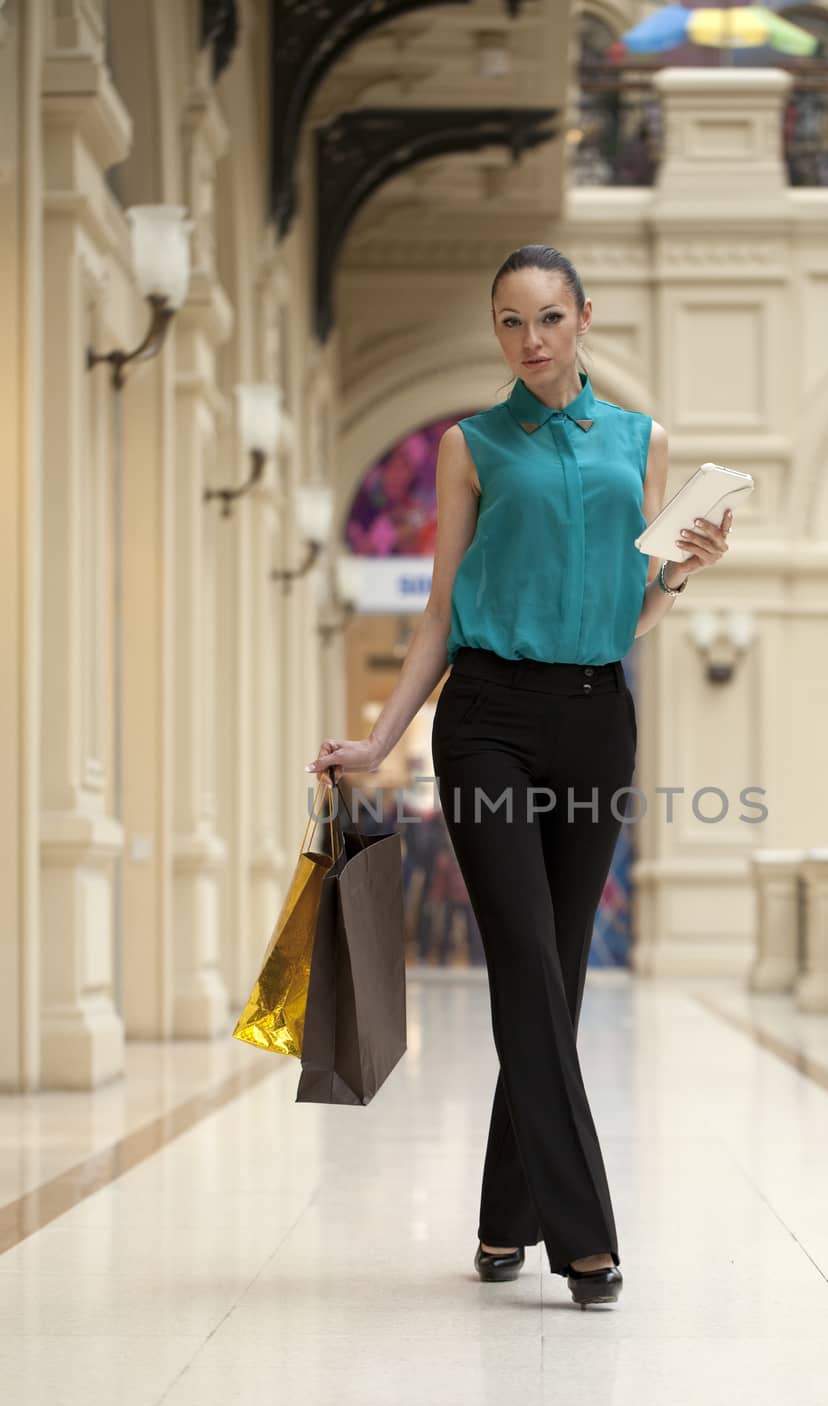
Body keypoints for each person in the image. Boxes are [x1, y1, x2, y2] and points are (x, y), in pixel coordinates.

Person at [306, 243, 730, 1309]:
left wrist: (678, 569)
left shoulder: (644, 443)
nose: (530, 339)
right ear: (495, 330)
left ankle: (502, 1220)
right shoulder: (471, 445)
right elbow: (440, 611)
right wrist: (380, 740)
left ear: (583, 316)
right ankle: (581, 1237)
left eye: (547, 317)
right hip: (487, 717)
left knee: (558, 980)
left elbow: (627, 615)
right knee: (526, 969)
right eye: (508, 321)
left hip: (596, 717)